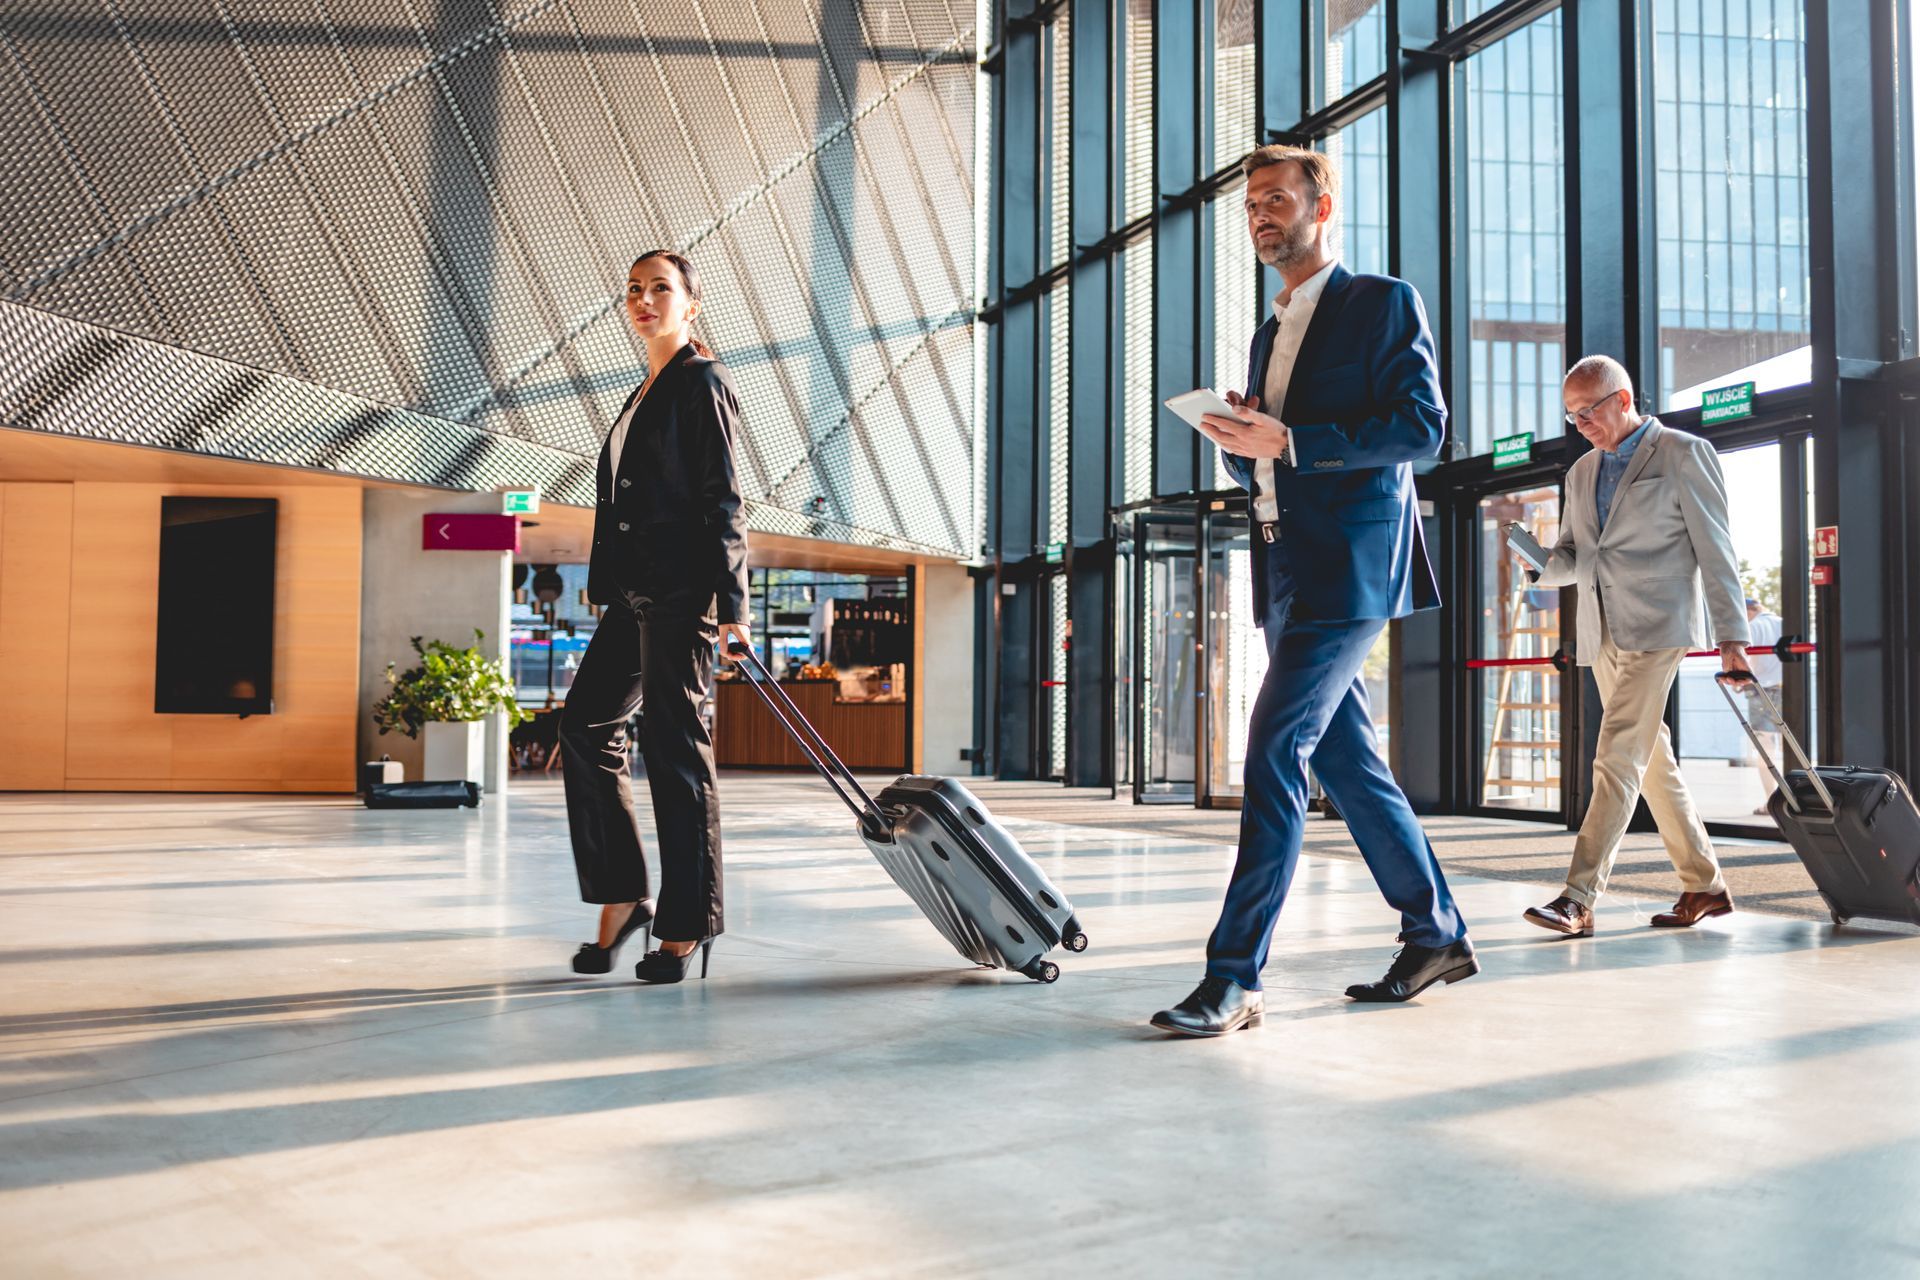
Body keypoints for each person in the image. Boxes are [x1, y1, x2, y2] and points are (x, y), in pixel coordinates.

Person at [1151, 144, 1474, 1037]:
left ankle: (1235, 977)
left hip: (1351, 567)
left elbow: (1420, 427)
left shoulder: (1380, 302)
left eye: (1277, 198)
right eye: (1252, 203)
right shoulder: (1269, 331)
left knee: (1271, 753)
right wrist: (1237, 431)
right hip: (1283, 561)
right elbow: (1271, 453)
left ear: (1320, 208)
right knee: (1347, 765)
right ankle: (1437, 931)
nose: (1261, 213)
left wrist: (1290, 440)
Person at [561, 250, 751, 983]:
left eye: (660, 289)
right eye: (634, 290)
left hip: (683, 596)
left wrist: (733, 607)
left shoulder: (702, 382)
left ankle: (685, 923)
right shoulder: (642, 391)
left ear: (691, 305)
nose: (644, 299)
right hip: (632, 596)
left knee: (675, 750)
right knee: (585, 726)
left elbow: (725, 500)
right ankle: (621, 896)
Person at [1519, 356, 1751, 938]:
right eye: (1572, 416)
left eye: (1588, 411)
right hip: (1602, 631)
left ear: (1623, 400)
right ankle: (1704, 884)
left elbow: (1715, 549)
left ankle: (1579, 897)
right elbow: (1577, 557)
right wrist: (1539, 564)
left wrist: (1732, 637)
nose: (1581, 425)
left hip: (1659, 626)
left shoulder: (1681, 453)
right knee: (1651, 764)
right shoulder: (1580, 473)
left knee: (1617, 755)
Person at [1742, 597, 1785, 814]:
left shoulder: (1752, 627)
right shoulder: (1784, 622)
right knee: (1788, 746)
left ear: (1748, 611)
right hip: (1786, 689)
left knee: (1765, 750)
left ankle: (1771, 800)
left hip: (1761, 692)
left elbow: (1746, 662)